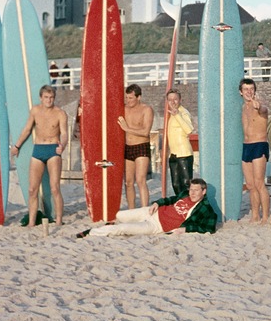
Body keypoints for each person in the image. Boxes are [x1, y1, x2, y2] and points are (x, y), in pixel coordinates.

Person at [76, 178, 216, 237]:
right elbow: (171, 199)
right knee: (120, 215)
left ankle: (91, 232)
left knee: (122, 228)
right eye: (191, 189)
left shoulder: (206, 209)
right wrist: (157, 203)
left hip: (156, 225)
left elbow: (209, 228)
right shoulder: (185, 194)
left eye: (196, 190)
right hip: (152, 211)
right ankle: (113, 222)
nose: (192, 193)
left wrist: (186, 229)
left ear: (203, 191)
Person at [10, 85, 68, 227]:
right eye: (46, 97)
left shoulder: (60, 113)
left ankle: (59, 220)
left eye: (51, 97)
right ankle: (31, 222)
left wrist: (63, 146)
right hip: (38, 149)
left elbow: (65, 133)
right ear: (41, 98)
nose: (49, 100)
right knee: (32, 189)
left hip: (53, 149)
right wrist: (17, 146)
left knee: (54, 187)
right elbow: (27, 129)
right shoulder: (35, 111)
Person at [239, 78, 270, 224]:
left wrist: (259, 106)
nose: (249, 92)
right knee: (250, 185)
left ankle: (265, 216)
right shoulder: (243, 108)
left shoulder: (258, 106)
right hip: (246, 146)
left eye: (251, 89)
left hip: (259, 145)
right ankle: (255, 215)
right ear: (241, 92)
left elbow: (262, 109)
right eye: (246, 89)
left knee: (259, 183)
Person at [118, 84, 154, 209]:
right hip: (128, 147)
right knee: (128, 182)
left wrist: (127, 128)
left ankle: (144, 209)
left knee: (140, 180)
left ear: (139, 97)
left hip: (141, 146)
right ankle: (131, 210)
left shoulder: (146, 109)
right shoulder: (124, 109)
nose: (128, 101)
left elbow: (145, 132)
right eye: (126, 98)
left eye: (131, 98)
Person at [165, 88, 195, 195]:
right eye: (170, 100)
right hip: (173, 154)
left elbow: (189, 129)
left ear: (180, 100)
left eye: (175, 99)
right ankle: (180, 205)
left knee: (186, 183)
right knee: (176, 184)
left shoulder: (183, 112)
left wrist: (177, 115)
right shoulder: (169, 114)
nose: (173, 102)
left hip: (184, 154)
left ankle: (189, 205)